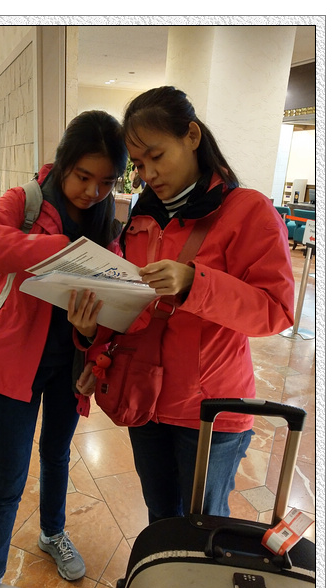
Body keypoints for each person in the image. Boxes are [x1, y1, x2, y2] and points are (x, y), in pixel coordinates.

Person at [68, 86, 295, 523]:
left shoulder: (248, 211)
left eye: (157, 156)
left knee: (202, 527)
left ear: (191, 136)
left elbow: (276, 311)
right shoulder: (141, 217)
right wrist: (92, 337)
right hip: (144, 398)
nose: (148, 173)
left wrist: (195, 283)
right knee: (160, 515)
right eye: (139, 164)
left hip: (210, 410)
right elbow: (135, 308)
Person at [0, 110, 127, 583]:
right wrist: (58, 250)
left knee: (57, 455)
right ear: (64, 162)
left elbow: (110, 304)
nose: (93, 191)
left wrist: (93, 341)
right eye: (83, 176)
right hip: (18, 363)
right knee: (9, 475)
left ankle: (52, 532)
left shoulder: (107, 219)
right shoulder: (26, 199)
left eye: (106, 182)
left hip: (71, 363)